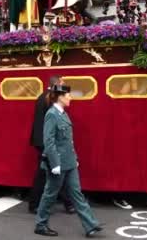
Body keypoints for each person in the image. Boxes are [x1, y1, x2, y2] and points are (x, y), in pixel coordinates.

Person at [34, 84, 102, 237]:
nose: (70, 97)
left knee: (76, 193)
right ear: (60, 97)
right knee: (50, 194)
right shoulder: (52, 114)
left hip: (69, 162)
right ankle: (40, 224)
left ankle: (90, 224)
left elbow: (68, 141)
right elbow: (49, 141)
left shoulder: (63, 114)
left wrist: (74, 159)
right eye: (68, 95)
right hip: (57, 164)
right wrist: (55, 163)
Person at [29, 76, 74, 214]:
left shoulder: (42, 96)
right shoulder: (49, 99)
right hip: (46, 142)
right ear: (57, 84)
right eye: (63, 84)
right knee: (47, 173)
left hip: (41, 140)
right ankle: (36, 205)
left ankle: (67, 203)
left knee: (49, 172)